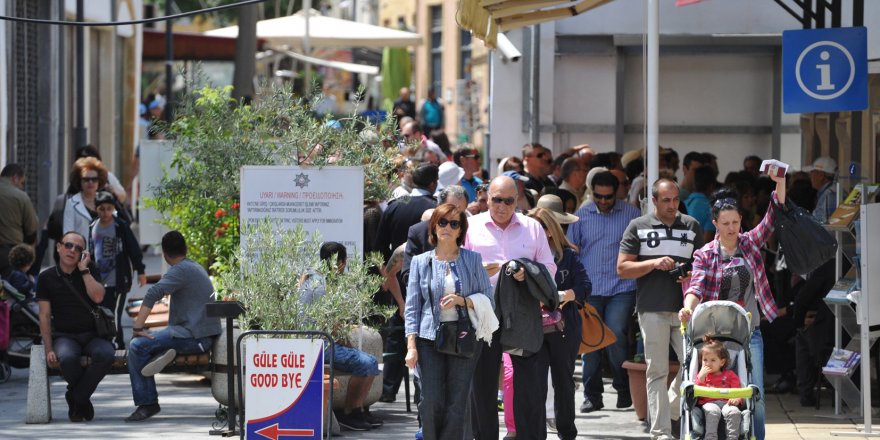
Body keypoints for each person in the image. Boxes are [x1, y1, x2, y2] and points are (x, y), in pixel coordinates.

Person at [679, 167, 787, 440]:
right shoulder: (705, 254)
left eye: (735, 223)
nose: (731, 229)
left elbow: (773, 216)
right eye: (725, 223)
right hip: (714, 336)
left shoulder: (750, 243)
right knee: (707, 391)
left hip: (750, 331)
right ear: (714, 223)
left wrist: (781, 182)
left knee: (756, 393)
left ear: (741, 220)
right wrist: (688, 308)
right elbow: (696, 286)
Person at [464, 175, 556, 440]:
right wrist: (480, 271)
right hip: (483, 311)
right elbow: (456, 267)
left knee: (528, 382)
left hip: (522, 312)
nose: (501, 206)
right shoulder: (471, 226)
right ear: (486, 198)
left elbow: (549, 267)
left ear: (517, 200)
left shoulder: (532, 227)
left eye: (507, 200)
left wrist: (526, 273)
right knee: (481, 383)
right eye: (496, 200)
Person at [618, 179, 704, 440]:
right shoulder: (638, 226)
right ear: (653, 201)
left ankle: (670, 409)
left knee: (694, 364)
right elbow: (622, 269)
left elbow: (702, 265)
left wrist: (687, 273)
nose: (672, 205)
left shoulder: (691, 226)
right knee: (657, 371)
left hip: (685, 309)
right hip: (651, 307)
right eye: (666, 200)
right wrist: (654, 263)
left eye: (675, 199)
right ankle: (660, 433)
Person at [404, 204, 495, 440]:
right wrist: (411, 346)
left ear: (460, 230)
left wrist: (462, 301)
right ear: (434, 226)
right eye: (442, 222)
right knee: (431, 398)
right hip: (428, 338)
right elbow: (413, 307)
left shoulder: (473, 260)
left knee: (457, 401)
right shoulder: (420, 262)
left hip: (464, 337)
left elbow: (489, 299)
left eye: (454, 223)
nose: (447, 227)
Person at [126, 231, 222, 422]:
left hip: (194, 340)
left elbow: (152, 293)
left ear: (164, 253)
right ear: (185, 249)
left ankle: (148, 403)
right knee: (153, 340)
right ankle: (166, 351)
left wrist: (137, 328)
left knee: (137, 346)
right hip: (198, 336)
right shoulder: (193, 267)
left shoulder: (180, 270)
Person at [568, 171, 640, 414]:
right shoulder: (581, 216)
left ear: (616, 192)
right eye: (598, 196)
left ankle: (623, 389)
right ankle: (592, 396)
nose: (603, 201)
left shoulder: (631, 214)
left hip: (622, 287)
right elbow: (572, 253)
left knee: (616, 336)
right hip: (591, 289)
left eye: (608, 197)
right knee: (590, 342)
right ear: (592, 192)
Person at [302, 242, 383, 431]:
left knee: (366, 361)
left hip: (311, 342)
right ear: (341, 263)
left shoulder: (311, 280)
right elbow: (334, 327)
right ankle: (351, 412)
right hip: (321, 345)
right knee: (368, 363)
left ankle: (358, 409)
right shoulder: (325, 287)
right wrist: (349, 346)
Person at [527, 207, 590, 440]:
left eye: (539, 227)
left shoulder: (568, 256)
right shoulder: (524, 256)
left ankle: (567, 432)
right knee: (536, 383)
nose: (533, 231)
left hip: (564, 328)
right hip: (533, 328)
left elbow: (585, 287)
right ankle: (537, 433)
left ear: (550, 231)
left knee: (563, 381)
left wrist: (564, 296)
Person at [36, 231, 112, 422]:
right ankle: (83, 400)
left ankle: (76, 397)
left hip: (93, 334)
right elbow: (44, 316)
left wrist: (85, 270)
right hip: (64, 336)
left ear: (82, 254)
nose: (72, 250)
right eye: (68, 245)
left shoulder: (89, 269)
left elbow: (98, 297)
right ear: (59, 247)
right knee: (67, 358)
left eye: (78, 248)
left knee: (106, 354)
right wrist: (49, 349)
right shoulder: (46, 278)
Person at [89, 191, 147, 349]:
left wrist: (140, 271)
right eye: (102, 209)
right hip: (100, 280)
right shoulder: (92, 226)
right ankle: (107, 341)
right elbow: (91, 252)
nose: (105, 212)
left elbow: (133, 249)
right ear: (96, 209)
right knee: (103, 312)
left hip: (119, 280)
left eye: (109, 208)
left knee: (114, 313)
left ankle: (117, 344)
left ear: (113, 208)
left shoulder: (120, 226)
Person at [693, 336, 744, 440]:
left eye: (713, 360)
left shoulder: (730, 375)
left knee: (734, 412)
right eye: (705, 360)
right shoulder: (702, 376)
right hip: (709, 403)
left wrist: (737, 399)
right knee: (712, 411)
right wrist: (700, 378)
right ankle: (710, 438)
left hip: (727, 403)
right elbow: (697, 393)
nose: (708, 363)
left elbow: (737, 390)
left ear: (722, 362)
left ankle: (733, 438)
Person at [0, 164, 38, 277]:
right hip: (11, 252)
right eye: (22, 183)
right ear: (15, 178)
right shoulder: (21, 196)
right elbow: (31, 228)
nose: (22, 187)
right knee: (10, 290)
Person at [64, 157, 109, 240]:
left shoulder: (107, 200)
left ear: (99, 181)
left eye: (94, 179)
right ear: (80, 181)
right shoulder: (71, 203)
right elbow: (67, 233)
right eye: (86, 179)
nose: (90, 182)